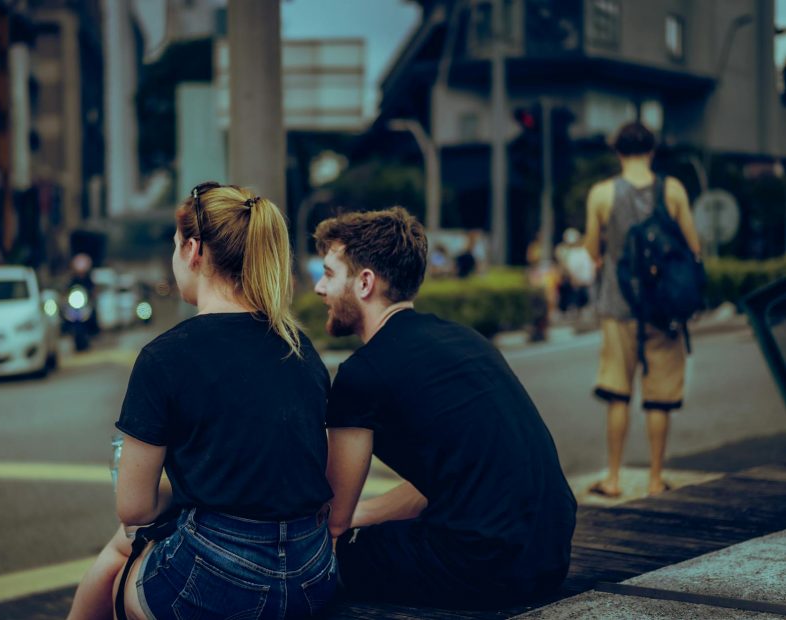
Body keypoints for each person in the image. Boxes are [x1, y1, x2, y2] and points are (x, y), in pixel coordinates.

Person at [68, 183, 337, 620]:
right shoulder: (300, 347)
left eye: (175, 247)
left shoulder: (165, 357)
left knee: (122, 577)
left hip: (221, 572)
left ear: (193, 250)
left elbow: (134, 508)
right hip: (313, 571)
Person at [314, 207, 577, 609]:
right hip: (549, 555)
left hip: (482, 565)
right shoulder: (464, 339)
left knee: (321, 562)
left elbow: (333, 520)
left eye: (330, 274)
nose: (319, 287)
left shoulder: (362, 375)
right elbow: (451, 481)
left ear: (364, 282)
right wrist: (363, 513)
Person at [583, 122, 701, 498]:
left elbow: (591, 252)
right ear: (651, 150)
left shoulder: (602, 194)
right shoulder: (674, 190)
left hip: (618, 307)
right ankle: (654, 479)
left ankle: (614, 479)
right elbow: (694, 248)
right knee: (659, 395)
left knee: (618, 392)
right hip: (664, 310)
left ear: (617, 151)